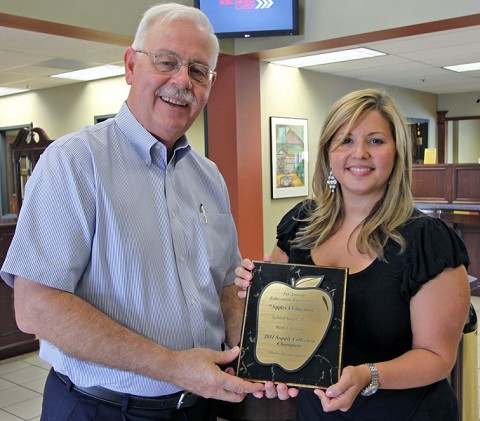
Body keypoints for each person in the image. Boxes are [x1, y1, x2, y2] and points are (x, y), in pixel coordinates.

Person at [0, 3, 264, 420]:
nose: (182, 81)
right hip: (101, 409)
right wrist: (174, 366)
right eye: (167, 62)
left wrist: (254, 358)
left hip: (196, 407)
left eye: (199, 71)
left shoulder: (209, 177)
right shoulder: (72, 162)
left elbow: (226, 286)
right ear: (130, 65)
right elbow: (35, 307)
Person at [235, 88, 471, 420]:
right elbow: (274, 313)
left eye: (375, 141)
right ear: (328, 152)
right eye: (345, 140)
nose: (359, 153)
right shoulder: (300, 223)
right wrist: (251, 288)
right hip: (317, 413)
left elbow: (437, 356)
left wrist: (368, 376)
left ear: (397, 152)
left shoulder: (426, 240)